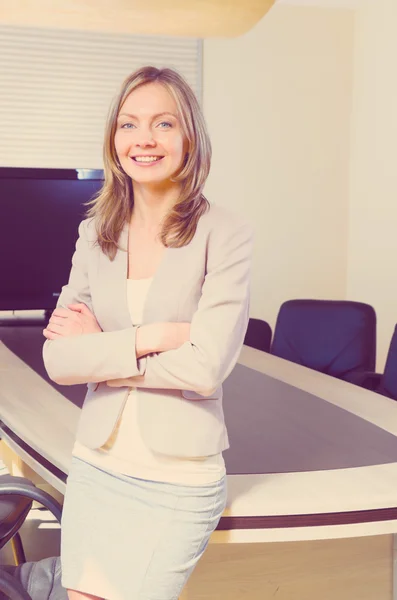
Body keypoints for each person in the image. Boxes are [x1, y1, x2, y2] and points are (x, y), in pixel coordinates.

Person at [42, 65, 254, 600]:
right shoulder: (95, 233)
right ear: (114, 140)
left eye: (163, 124)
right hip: (97, 466)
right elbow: (60, 362)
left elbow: (205, 369)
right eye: (129, 124)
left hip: (179, 480)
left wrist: (103, 349)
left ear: (190, 137)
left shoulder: (224, 233)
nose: (144, 140)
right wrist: (153, 335)